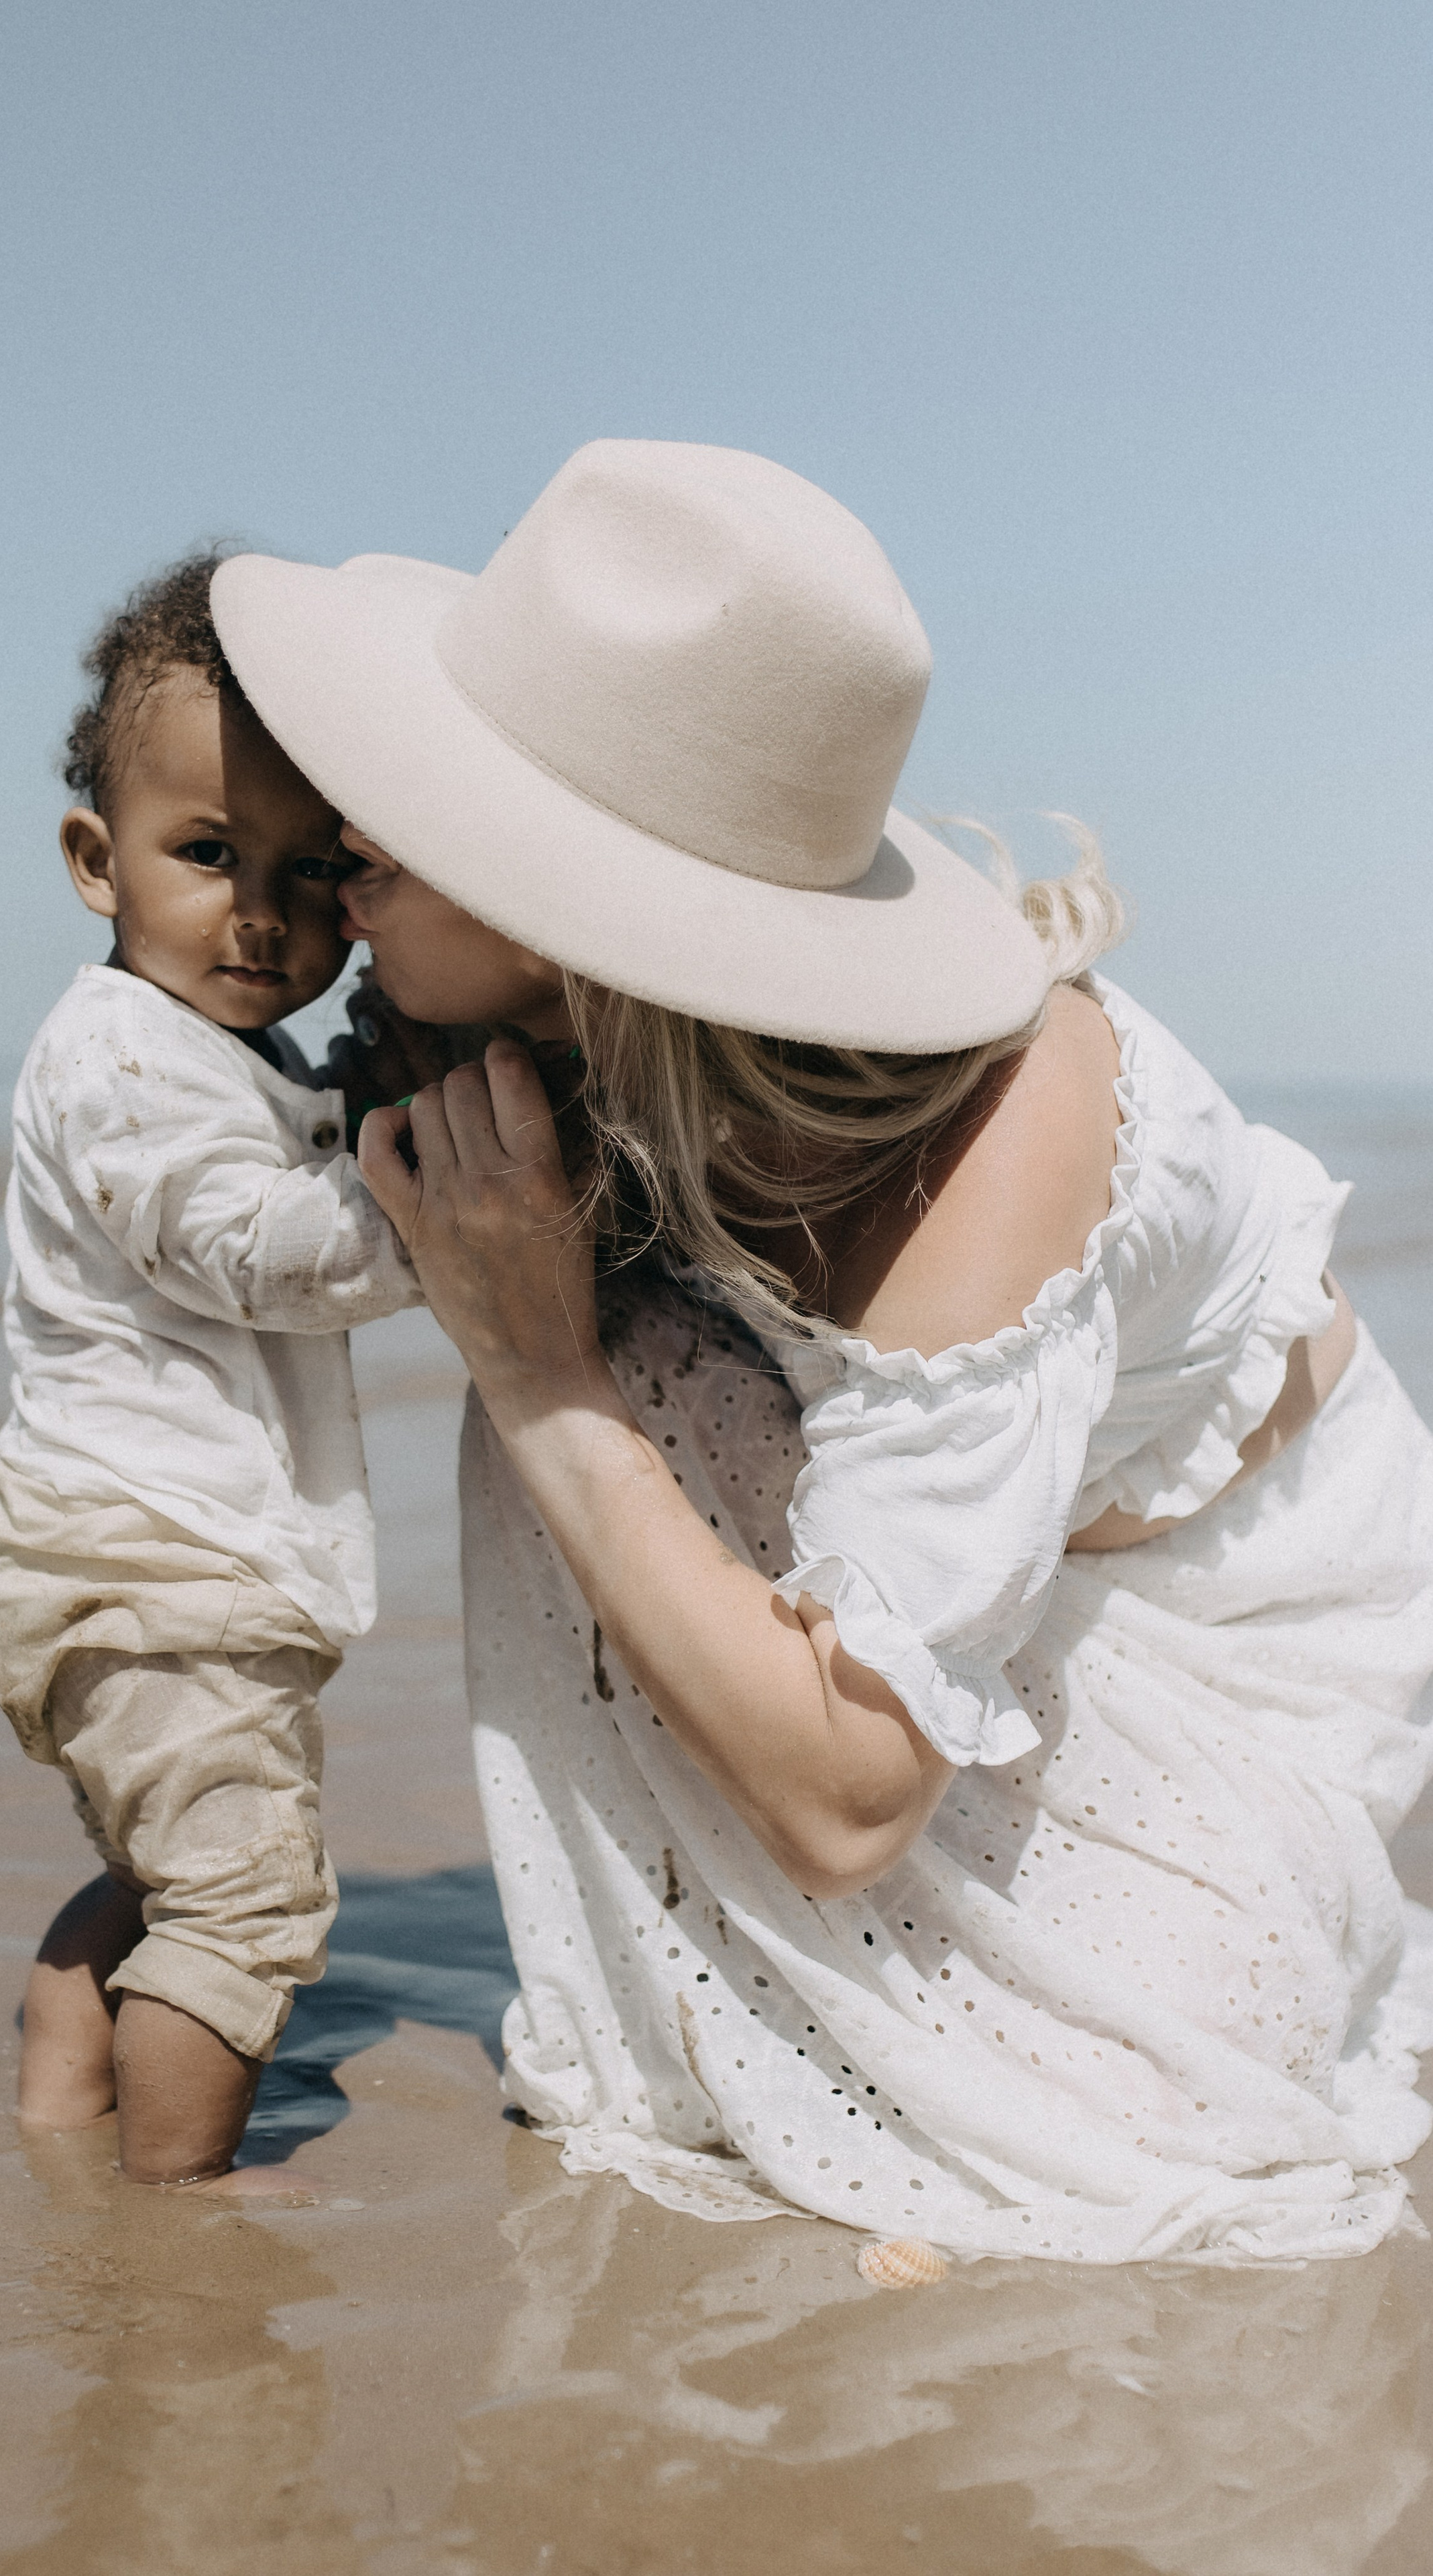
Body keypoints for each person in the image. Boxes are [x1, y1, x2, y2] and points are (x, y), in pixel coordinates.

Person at [210, 441, 1433, 2263]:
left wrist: (540, 1371)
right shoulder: (611, 1053)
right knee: (575, 1316)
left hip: (1233, 1604)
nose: (342, 867)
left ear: (570, 917)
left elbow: (852, 1798)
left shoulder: (988, 1158)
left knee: (577, 1361)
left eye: (394, 835)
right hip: (998, 1555)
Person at [0, 556, 418, 2189]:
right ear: (99, 860)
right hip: (143, 1557)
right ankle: (172, 2226)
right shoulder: (117, 1058)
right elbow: (257, 1247)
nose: (263, 913)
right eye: (208, 854)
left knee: (171, 1873)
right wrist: (452, 1217)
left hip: (146, 1554)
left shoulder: (229, 1048)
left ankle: (60, 2123)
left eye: (312, 870)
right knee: (245, 1903)